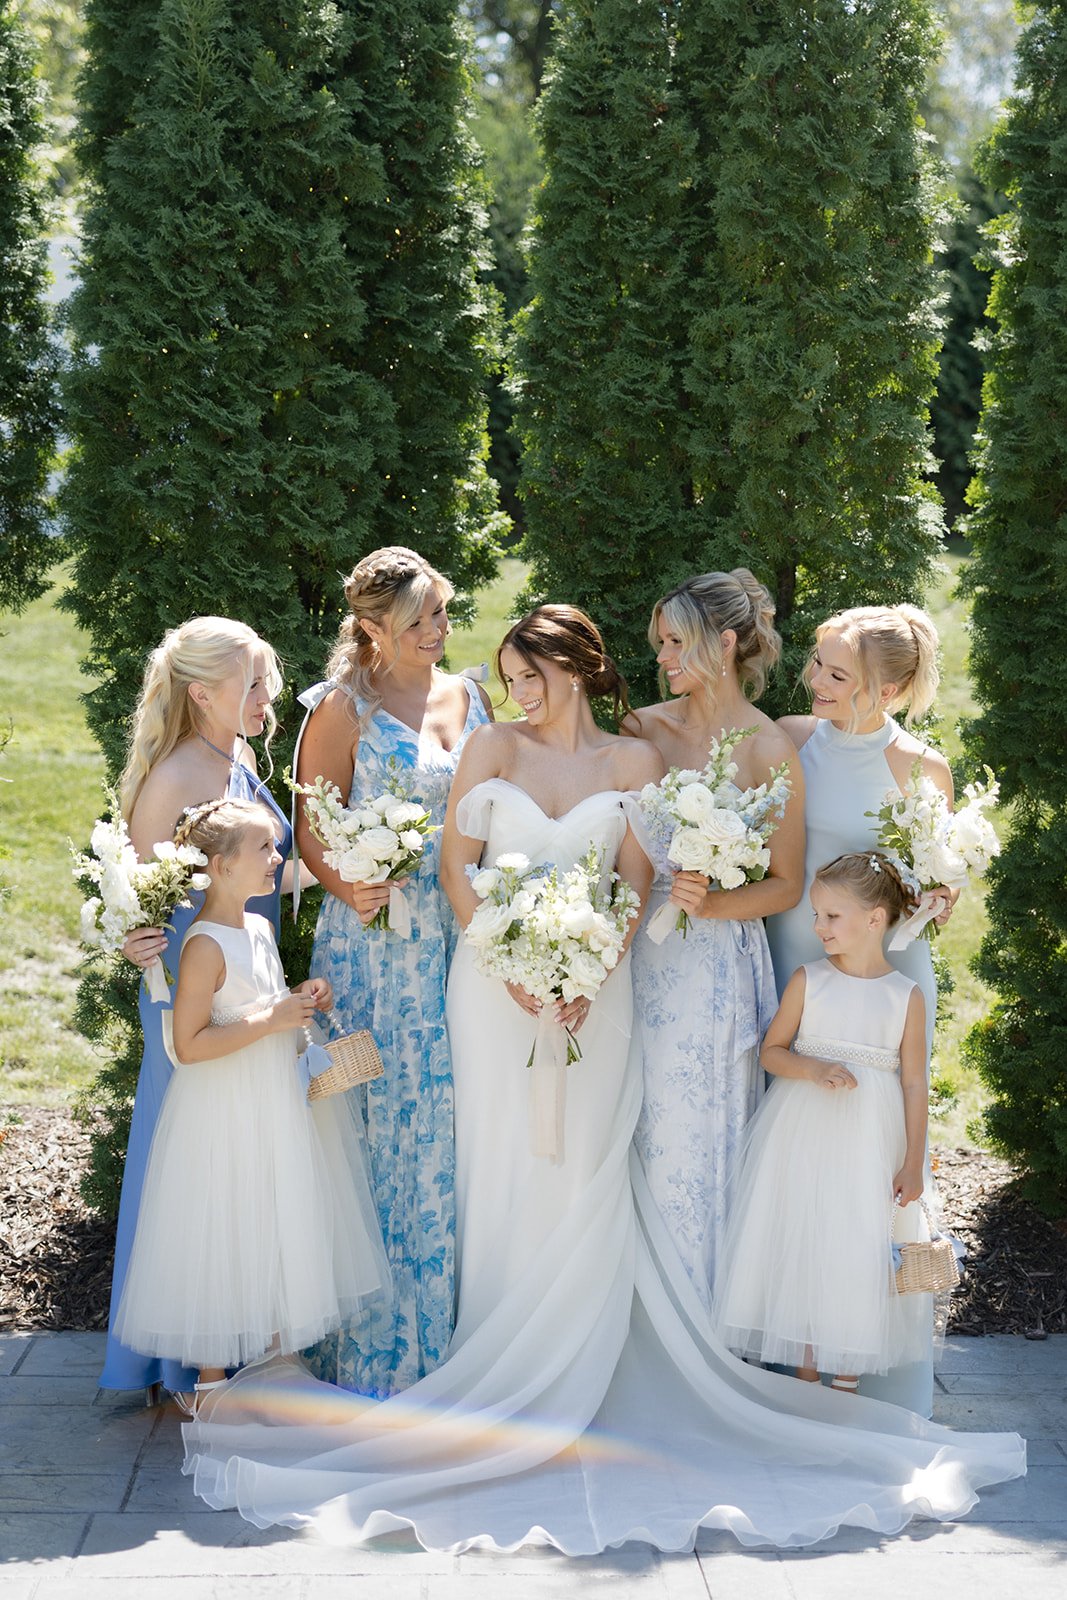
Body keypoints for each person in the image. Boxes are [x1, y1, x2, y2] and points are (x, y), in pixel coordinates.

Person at [179, 607, 1023, 1552]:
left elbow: (630, 881)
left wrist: (587, 973)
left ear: (573, 670)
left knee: (587, 1165)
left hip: (599, 995)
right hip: (490, 991)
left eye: (529, 676)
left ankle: (593, 1358)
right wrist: (507, 964)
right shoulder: (492, 745)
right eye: (507, 677)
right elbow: (457, 870)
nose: (516, 693)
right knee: (501, 1164)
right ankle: (495, 1351)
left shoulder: (634, 760)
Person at [293, 546, 491, 1396]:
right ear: (371, 627)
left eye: (440, 612)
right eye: (416, 621)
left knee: (458, 1124)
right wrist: (352, 886)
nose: (435, 631)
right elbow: (310, 827)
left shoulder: (472, 696)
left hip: (462, 936)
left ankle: (452, 1341)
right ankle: (371, 1353)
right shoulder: (340, 709)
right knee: (375, 1122)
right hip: (371, 948)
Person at [113, 799, 387, 1414]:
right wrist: (272, 1019)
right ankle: (210, 1382)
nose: (276, 858)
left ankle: (267, 1363)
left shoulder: (257, 930)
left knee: (269, 1215)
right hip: (223, 1110)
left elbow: (261, 1003)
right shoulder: (203, 946)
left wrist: (301, 997)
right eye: (263, 848)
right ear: (219, 866)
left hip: (270, 1101)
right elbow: (189, 1045)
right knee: (225, 1221)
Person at [766, 603, 952, 1413]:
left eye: (836, 674)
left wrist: (938, 895)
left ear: (890, 689)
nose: (814, 680)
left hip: (884, 976)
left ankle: (868, 1360)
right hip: (793, 961)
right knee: (793, 1156)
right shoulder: (788, 739)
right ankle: (793, 1352)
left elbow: (930, 879)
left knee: (872, 1162)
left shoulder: (920, 768)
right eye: (817, 663)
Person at [99, 617, 293, 1397]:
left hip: (251, 976)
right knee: (189, 1163)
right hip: (195, 992)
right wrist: (130, 937)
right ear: (203, 693)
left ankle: (235, 1341)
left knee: (243, 1160)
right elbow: (131, 895)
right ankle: (175, 1358)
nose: (266, 696)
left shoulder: (237, 756)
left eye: (266, 679)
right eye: (251, 683)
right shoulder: (176, 777)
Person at [627, 570, 804, 1302]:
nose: (662, 656)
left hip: (715, 969)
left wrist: (713, 903)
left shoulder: (768, 748)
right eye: (660, 643)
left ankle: (700, 1314)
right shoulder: (641, 729)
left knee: (695, 1137)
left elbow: (786, 884)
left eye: (675, 642)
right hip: (635, 954)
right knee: (631, 1125)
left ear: (726, 643)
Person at [715, 852, 929, 1392]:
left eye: (832, 916)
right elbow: (772, 1052)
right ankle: (805, 1386)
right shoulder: (810, 980)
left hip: (870, 1144)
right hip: (804, 1136)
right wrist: (813, 1069)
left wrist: (912, 1162)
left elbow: (913, 1083)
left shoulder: (905, 996)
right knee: (806, 1246)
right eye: (817, 915)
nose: (818, 927)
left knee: (855, 1248)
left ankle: (845, 1386)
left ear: (874, 919)